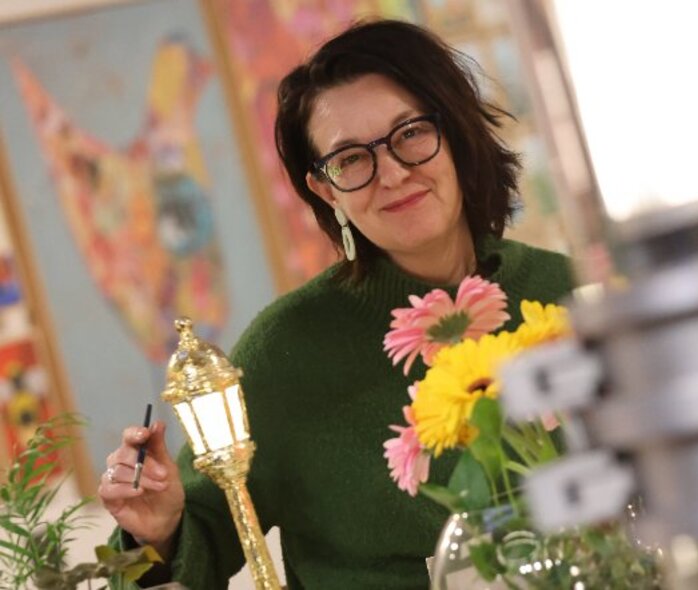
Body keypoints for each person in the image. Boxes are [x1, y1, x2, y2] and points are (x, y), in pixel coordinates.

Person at [99, 19, 575, 590]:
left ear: (455, 133)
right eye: (351, 159)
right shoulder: (286, 351)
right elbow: (205, 532)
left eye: (411, 133)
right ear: (326, 190)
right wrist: (159, 531)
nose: (393, 174)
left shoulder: (568, 293)